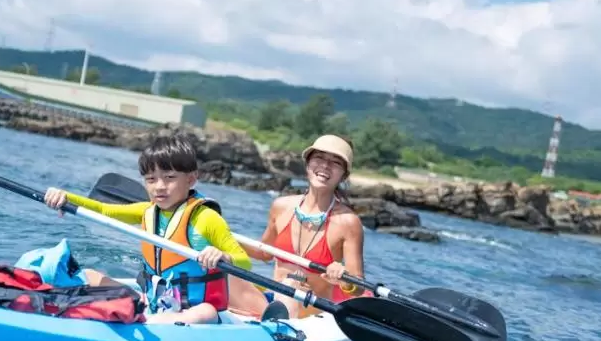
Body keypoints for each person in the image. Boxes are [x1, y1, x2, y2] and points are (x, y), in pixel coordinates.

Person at [43, 134, 253, 324]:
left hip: (192, 311)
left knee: (206, 311)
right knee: (88, 275)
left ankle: (142, 322)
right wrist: (66, 197)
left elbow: (244, 262)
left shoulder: (206, 218)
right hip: (153, 302)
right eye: (151, 179)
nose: (159, 186)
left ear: (190, 179)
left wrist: (223, 256)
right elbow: (103, 209)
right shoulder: (147, 211)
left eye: (170, 177)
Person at [230, 134, 366, 320]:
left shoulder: (348, 222)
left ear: (344, 174)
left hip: (312, 314)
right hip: (272, 304)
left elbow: (358, 287)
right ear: (308, 163)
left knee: (290, 286)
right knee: (224, 276)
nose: (325, 166)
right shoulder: (281, 206)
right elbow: (264, 253)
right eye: (319, 158)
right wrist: (221, 238)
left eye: (335, 163)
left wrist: (344, 278)